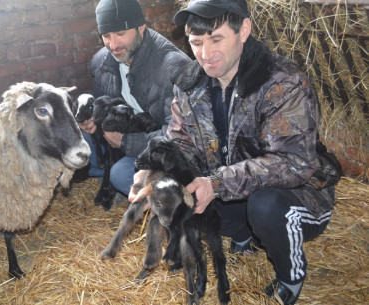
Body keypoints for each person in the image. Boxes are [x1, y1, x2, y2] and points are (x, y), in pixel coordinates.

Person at [131, 0, 342, 304]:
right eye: (196, 42)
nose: (205, 54)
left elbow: (295, 163)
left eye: (216, 39)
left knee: (264, 205)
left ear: (243, 30)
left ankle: (290, 273)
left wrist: (215, 184)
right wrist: (156, 175)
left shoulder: (281, 81)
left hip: (298, 196)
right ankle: (242, 235)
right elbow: (180, 144)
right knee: (181, 188)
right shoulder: (190, 84)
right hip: (231, 186)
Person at [77, 0, 199, 199]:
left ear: (141, 27)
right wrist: (93, 121)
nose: (113, 45)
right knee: (74, 146)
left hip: (156, 146)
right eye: (106, 36)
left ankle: (171, 200)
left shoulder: (174, 68)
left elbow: (182, 136)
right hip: (122, 134)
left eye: (121, 34)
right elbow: (103, 104)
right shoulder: (101, 62)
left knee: (120, 175)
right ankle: (113, 170)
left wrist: (127, 143)